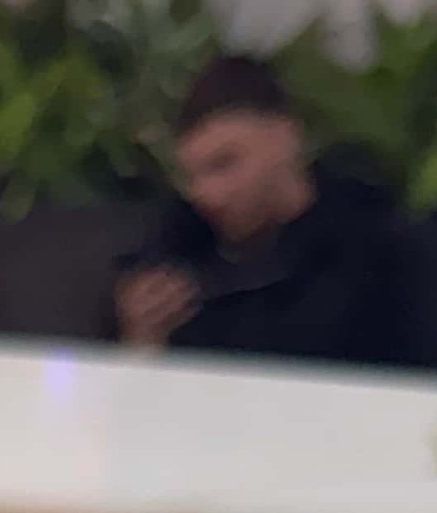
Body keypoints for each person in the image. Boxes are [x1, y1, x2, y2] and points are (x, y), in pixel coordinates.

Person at [116, 58, 401, 372]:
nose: (207, 194)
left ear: (287, 138)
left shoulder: (364, 245)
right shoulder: (182, 247)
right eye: (193, 177)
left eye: (224, 164)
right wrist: (143, 339)